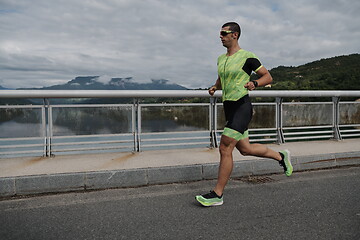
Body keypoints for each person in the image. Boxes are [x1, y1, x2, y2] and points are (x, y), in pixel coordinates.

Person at [195, 22, 292, 207]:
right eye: (220, 33)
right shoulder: (220, 59)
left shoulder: (247, 57)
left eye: (224, 33)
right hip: (229, 108)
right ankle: (281, 156)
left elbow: (267, 76)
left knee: (224, 147)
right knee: (245, 149)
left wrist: (255, 83)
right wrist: (216, 86)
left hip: (242, 106)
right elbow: (222, 77)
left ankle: (217, 194)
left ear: (235, 35)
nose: (221, 36)